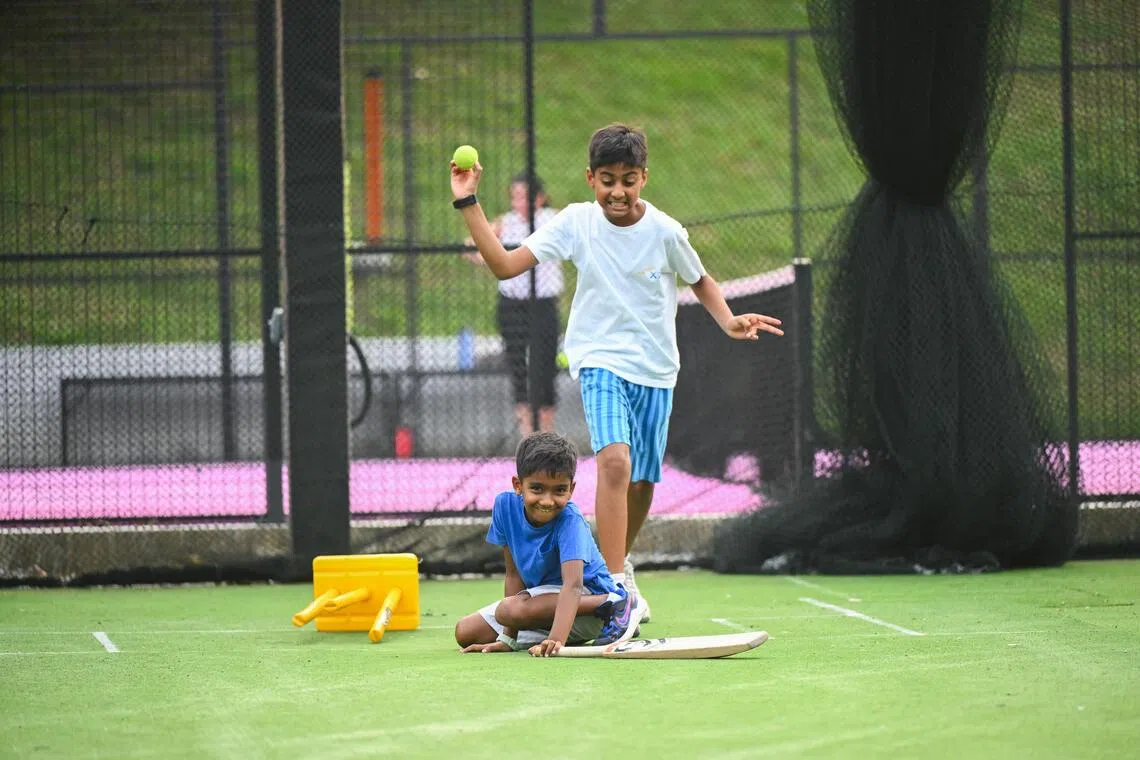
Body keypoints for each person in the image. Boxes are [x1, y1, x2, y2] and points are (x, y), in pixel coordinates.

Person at [450, 123, 784, 623]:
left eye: (629, 179)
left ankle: (618, 572)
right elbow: (502, 264)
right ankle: (611, 595)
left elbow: (700, 279)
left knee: (643, 482)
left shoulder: (667, 232)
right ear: (590, 179)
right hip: (600, 360)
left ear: (644, 178)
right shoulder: (576, 223)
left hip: (656, 369)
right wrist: (468, 200)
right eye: (608, 179)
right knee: (615, 465)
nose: (618, 190)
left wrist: (730, 320)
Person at [454, 432, 642, 656]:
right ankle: (609, 614)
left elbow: (572, 585)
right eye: (537, 488)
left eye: (559, 490)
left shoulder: (570, 520)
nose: (547, 501)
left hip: (586, 602)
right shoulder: (504, 506)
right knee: (465, 632)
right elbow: (514, 576)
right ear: (518, 485)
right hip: (541, 603)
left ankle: (616, 602)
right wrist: (508, 639)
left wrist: (556, 640)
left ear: (571, 489)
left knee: (509, 609)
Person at [463, 173, 563, 438]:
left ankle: (547, 436)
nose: (519, 202)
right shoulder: (506, 223)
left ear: (539, 198)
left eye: (525, 196)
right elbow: (470, 246)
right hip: (512, 306)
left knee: (545, 368)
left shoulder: (551, 219)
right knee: (518, 368)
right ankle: (527, 438)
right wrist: (491, 259)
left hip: (543, 305)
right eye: (515, 196)